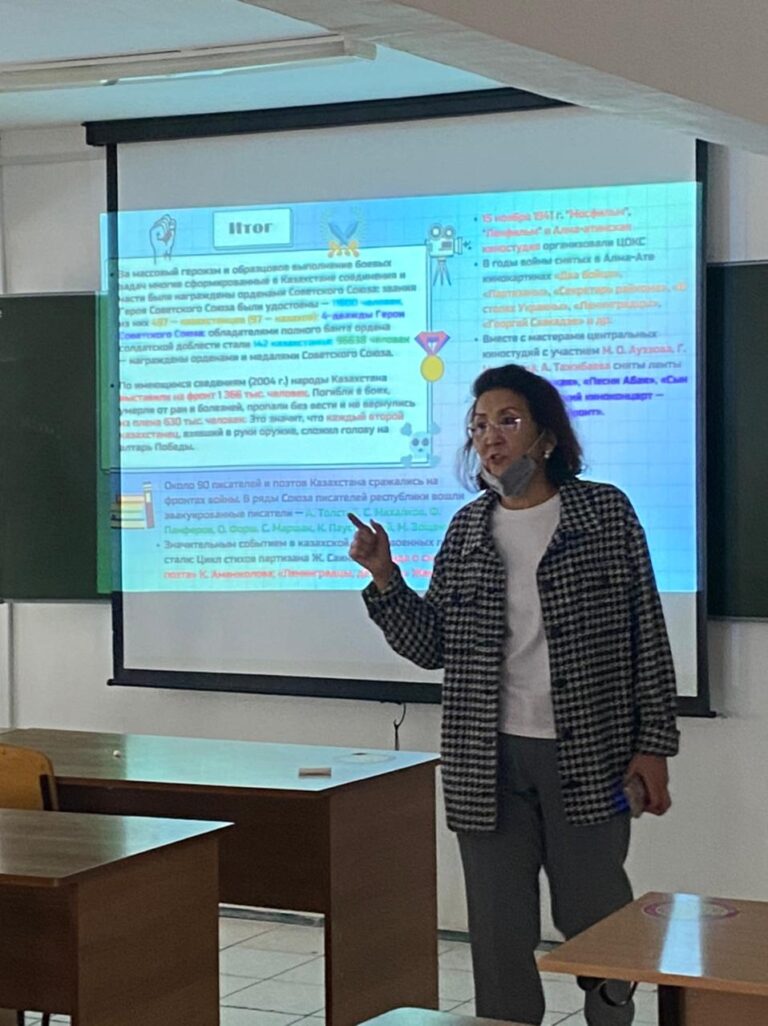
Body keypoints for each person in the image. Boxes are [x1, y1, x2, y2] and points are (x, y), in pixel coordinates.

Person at [348, 363, 678, 1026]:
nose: (490, 437)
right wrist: (386, 579)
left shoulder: (605, 513)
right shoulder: (468, 530)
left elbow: (647, 631)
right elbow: (432, 646)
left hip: (592, 757)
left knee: (597, 918)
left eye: (507, 420)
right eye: (478, 426)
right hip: (486, 761)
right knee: (499, 930)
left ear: (545, 437)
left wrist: (655, 746)